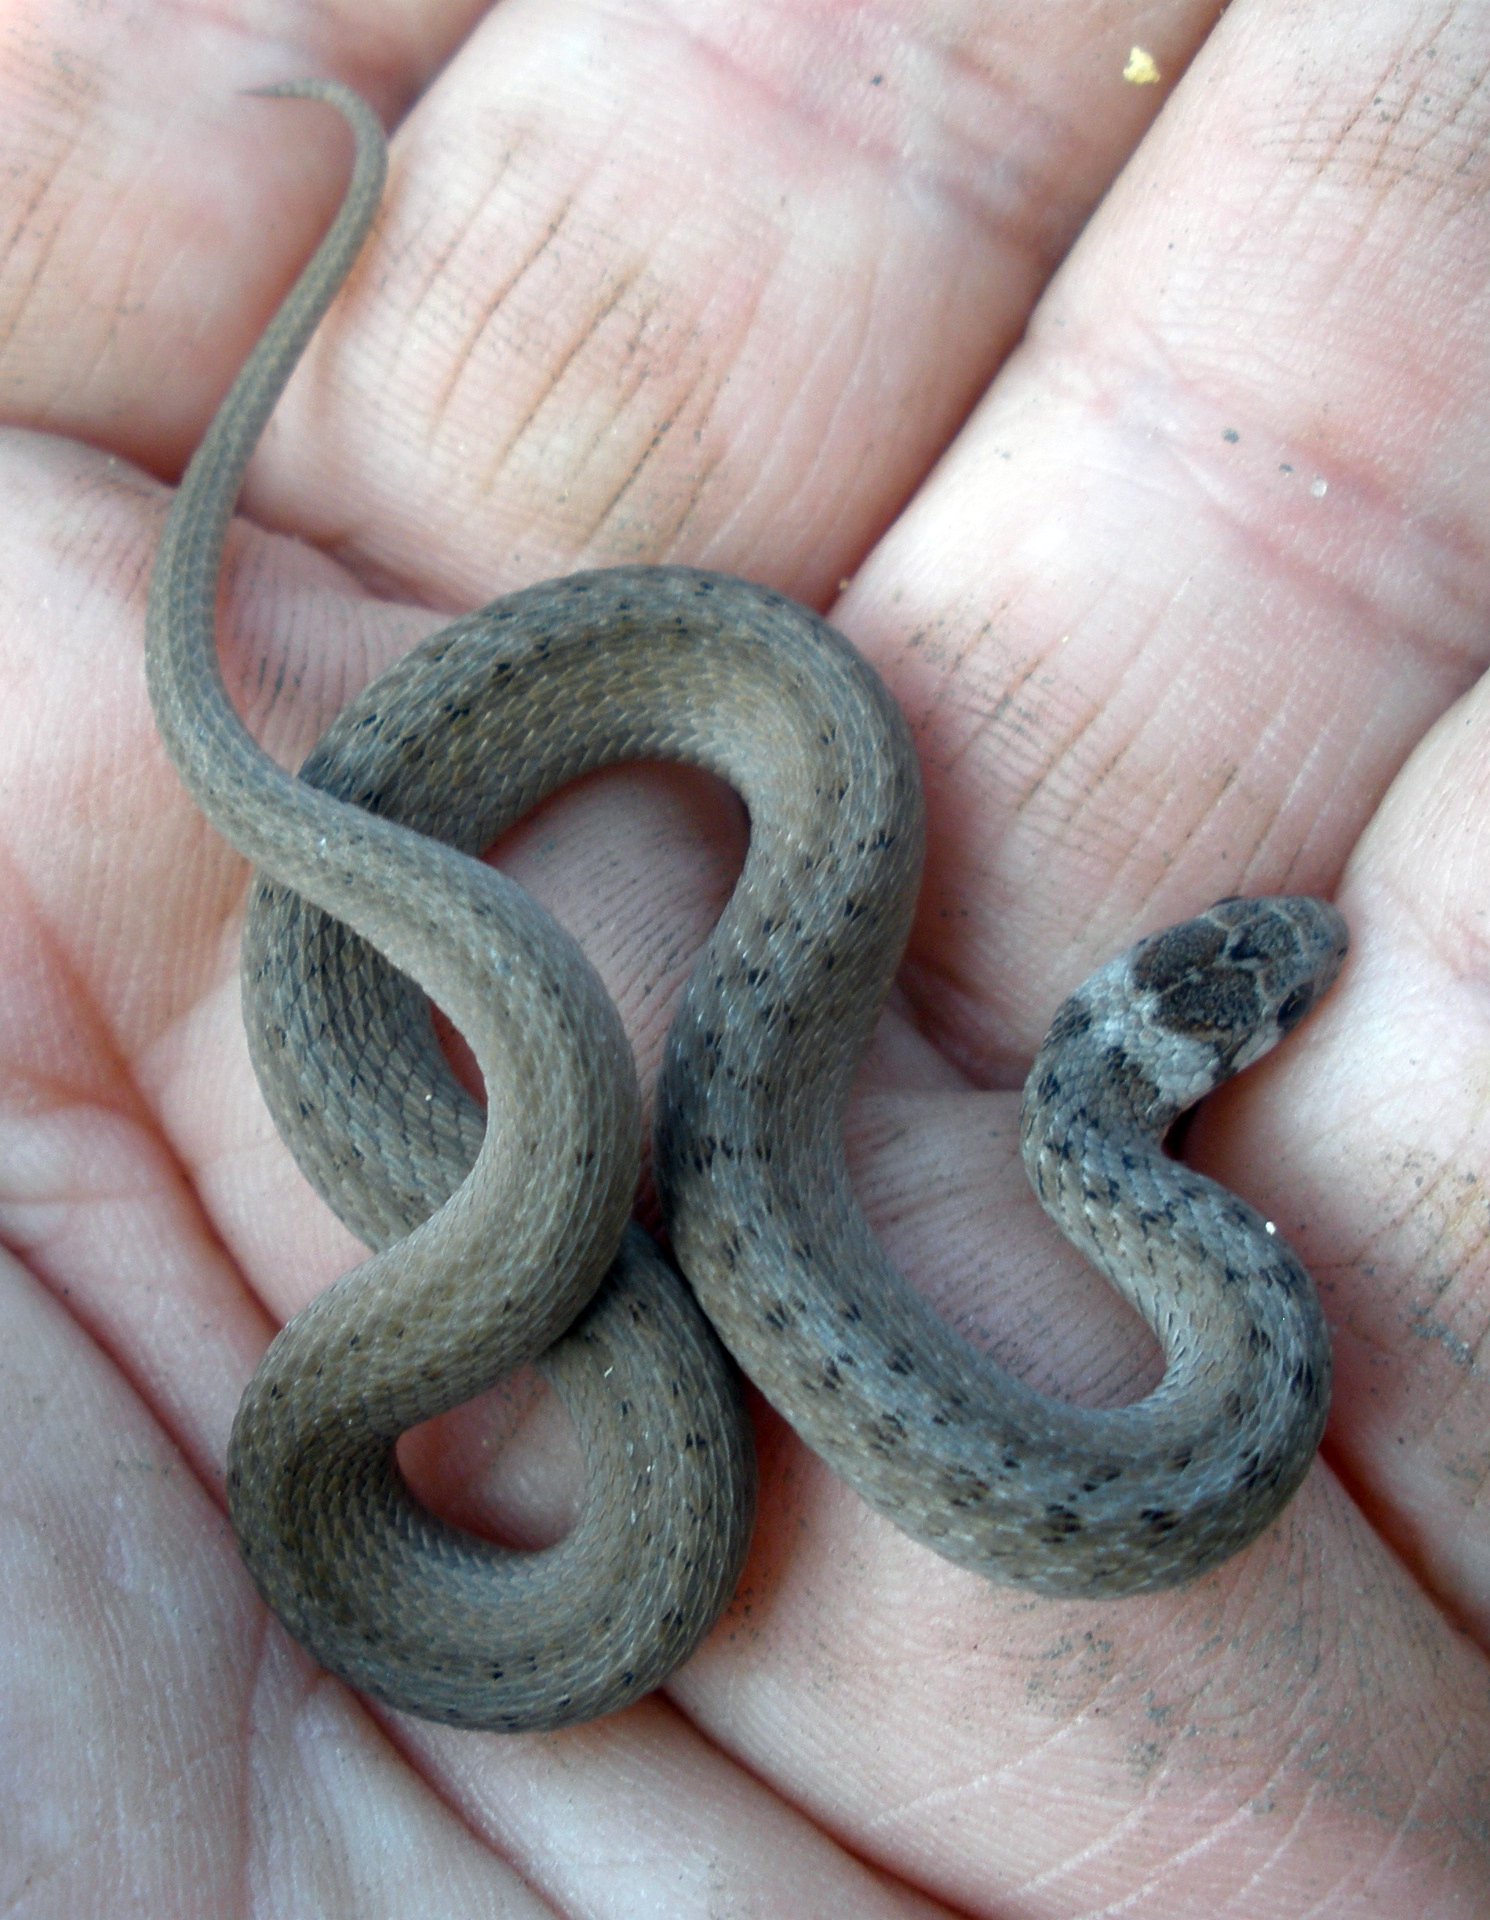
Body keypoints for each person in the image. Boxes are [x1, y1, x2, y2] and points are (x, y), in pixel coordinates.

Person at [1, 4, 1485, 1913]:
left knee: (646, 1088)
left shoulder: (1181, 1324)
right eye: (1255, 987)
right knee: (424, 977)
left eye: (1259, 1001)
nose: (1279, 977)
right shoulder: (1127, 1194)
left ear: (1153, 1052)